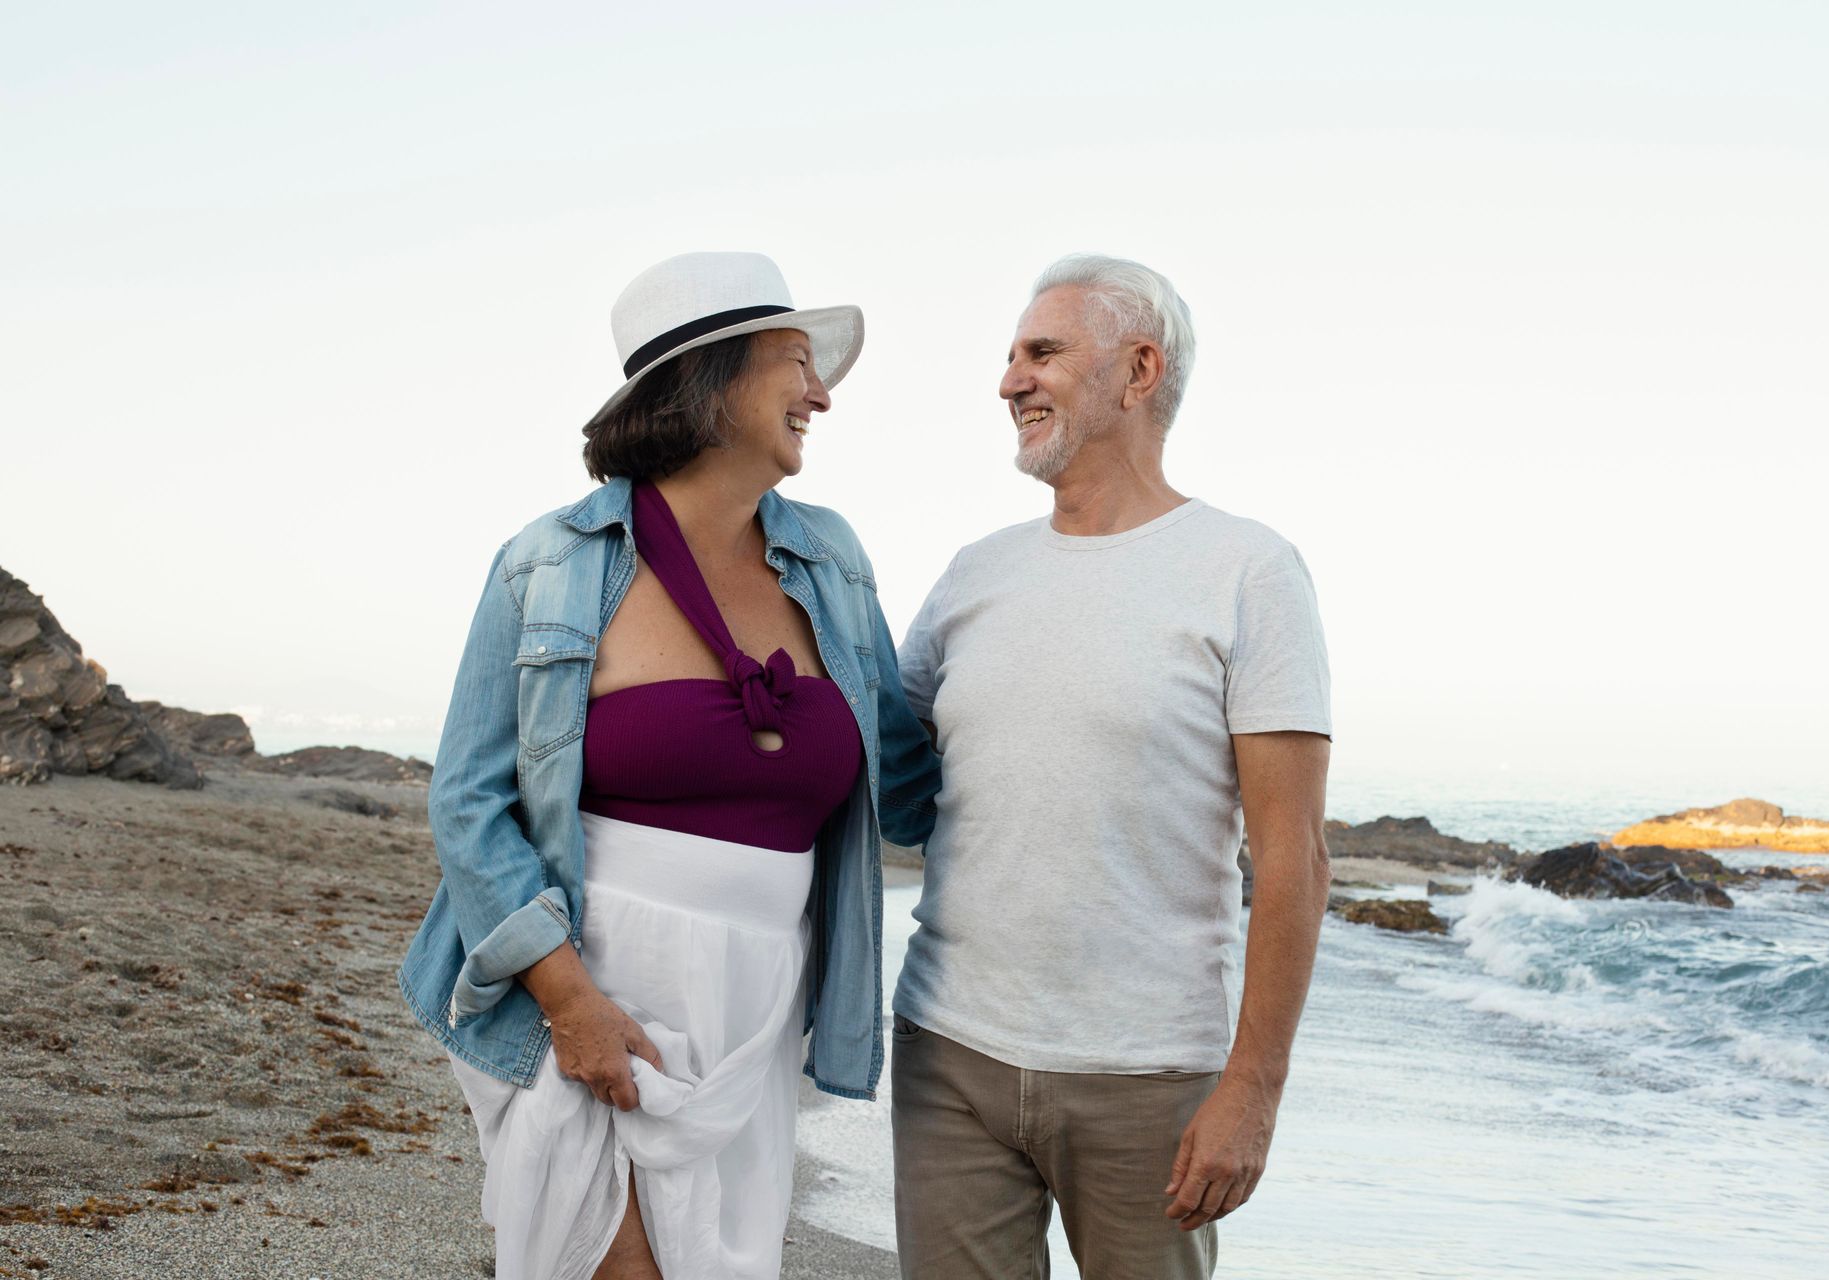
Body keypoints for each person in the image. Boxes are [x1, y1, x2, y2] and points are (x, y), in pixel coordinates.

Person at [397, 251, 940, 1280]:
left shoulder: (833, 561)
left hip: (758, 1003)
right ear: (713, 380)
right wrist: (570, 1000)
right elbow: (468, 798)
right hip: (587, 982)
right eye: (795, 362)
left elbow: (911, 776)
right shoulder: (549, 562)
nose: (822, 391)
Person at [889, 254, 1333, 1279]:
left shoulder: (1248, 569)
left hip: (1151, 1078)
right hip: (947, 1056)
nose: (1009, 380)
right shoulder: (974, 573)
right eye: (1009, 356)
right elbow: (874, 769)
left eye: (1042, 352)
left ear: (1139, 370)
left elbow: (1294, 853)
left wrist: (1253, 1089)